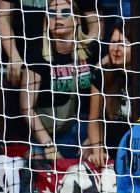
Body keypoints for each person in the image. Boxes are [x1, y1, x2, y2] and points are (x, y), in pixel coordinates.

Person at [20, 0, 99, 160]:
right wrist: (48, 145)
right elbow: (26, 108)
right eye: (51, 14)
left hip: (86, 129)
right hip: (50, 133)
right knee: (35, 160)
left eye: (65, 12)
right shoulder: (38, 56)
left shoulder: (93, 51)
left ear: (77, 20)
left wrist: (95, 138)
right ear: (47, 22)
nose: (58, 17)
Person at [0, 0, 101, 87]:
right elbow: (2, 17)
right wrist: (14, 56)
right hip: (23, 56)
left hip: (66, 56)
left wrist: (82, 53)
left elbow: (95, 24)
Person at [86, 20, 134, 167]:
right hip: (111, 152)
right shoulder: (102, 74)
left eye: (123, 44)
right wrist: (97, 150)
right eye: (113, 42)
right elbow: (94, 118)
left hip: (139, 149)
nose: (116, 49)